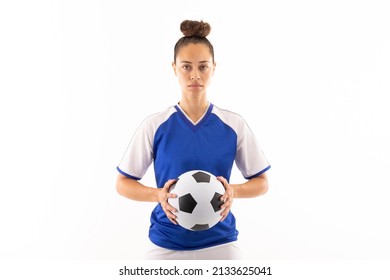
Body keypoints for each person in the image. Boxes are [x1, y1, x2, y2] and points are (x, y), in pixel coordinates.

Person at [116, 20, 270, 260]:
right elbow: (123, 183)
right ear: (174, 68)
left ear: (214, 68)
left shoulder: (233, 124)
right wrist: (158, 195)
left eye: (203, 66)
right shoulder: (155, 125)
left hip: (220, 243)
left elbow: (261, 182)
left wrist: (233, 191)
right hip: (165, 243)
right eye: (186, 67)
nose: (195, 75)